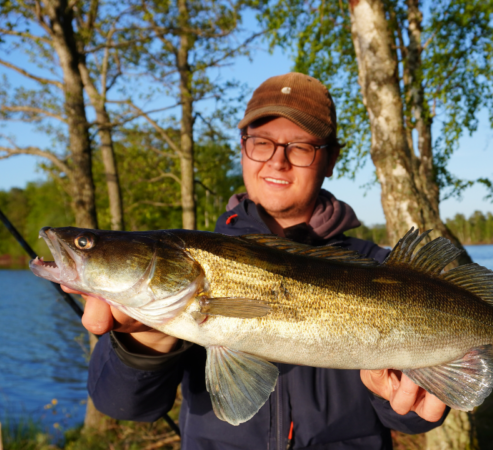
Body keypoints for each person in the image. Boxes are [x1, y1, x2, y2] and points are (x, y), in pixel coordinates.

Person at [68, 72, 449, 449]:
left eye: (300, 146)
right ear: (243, 147)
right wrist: (145, 342)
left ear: (331, 159)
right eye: (262, 142)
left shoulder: (384, 271)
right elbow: (123, 404)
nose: (277, 161)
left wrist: (407, 401)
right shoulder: (186, 262)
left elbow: (411, 419)